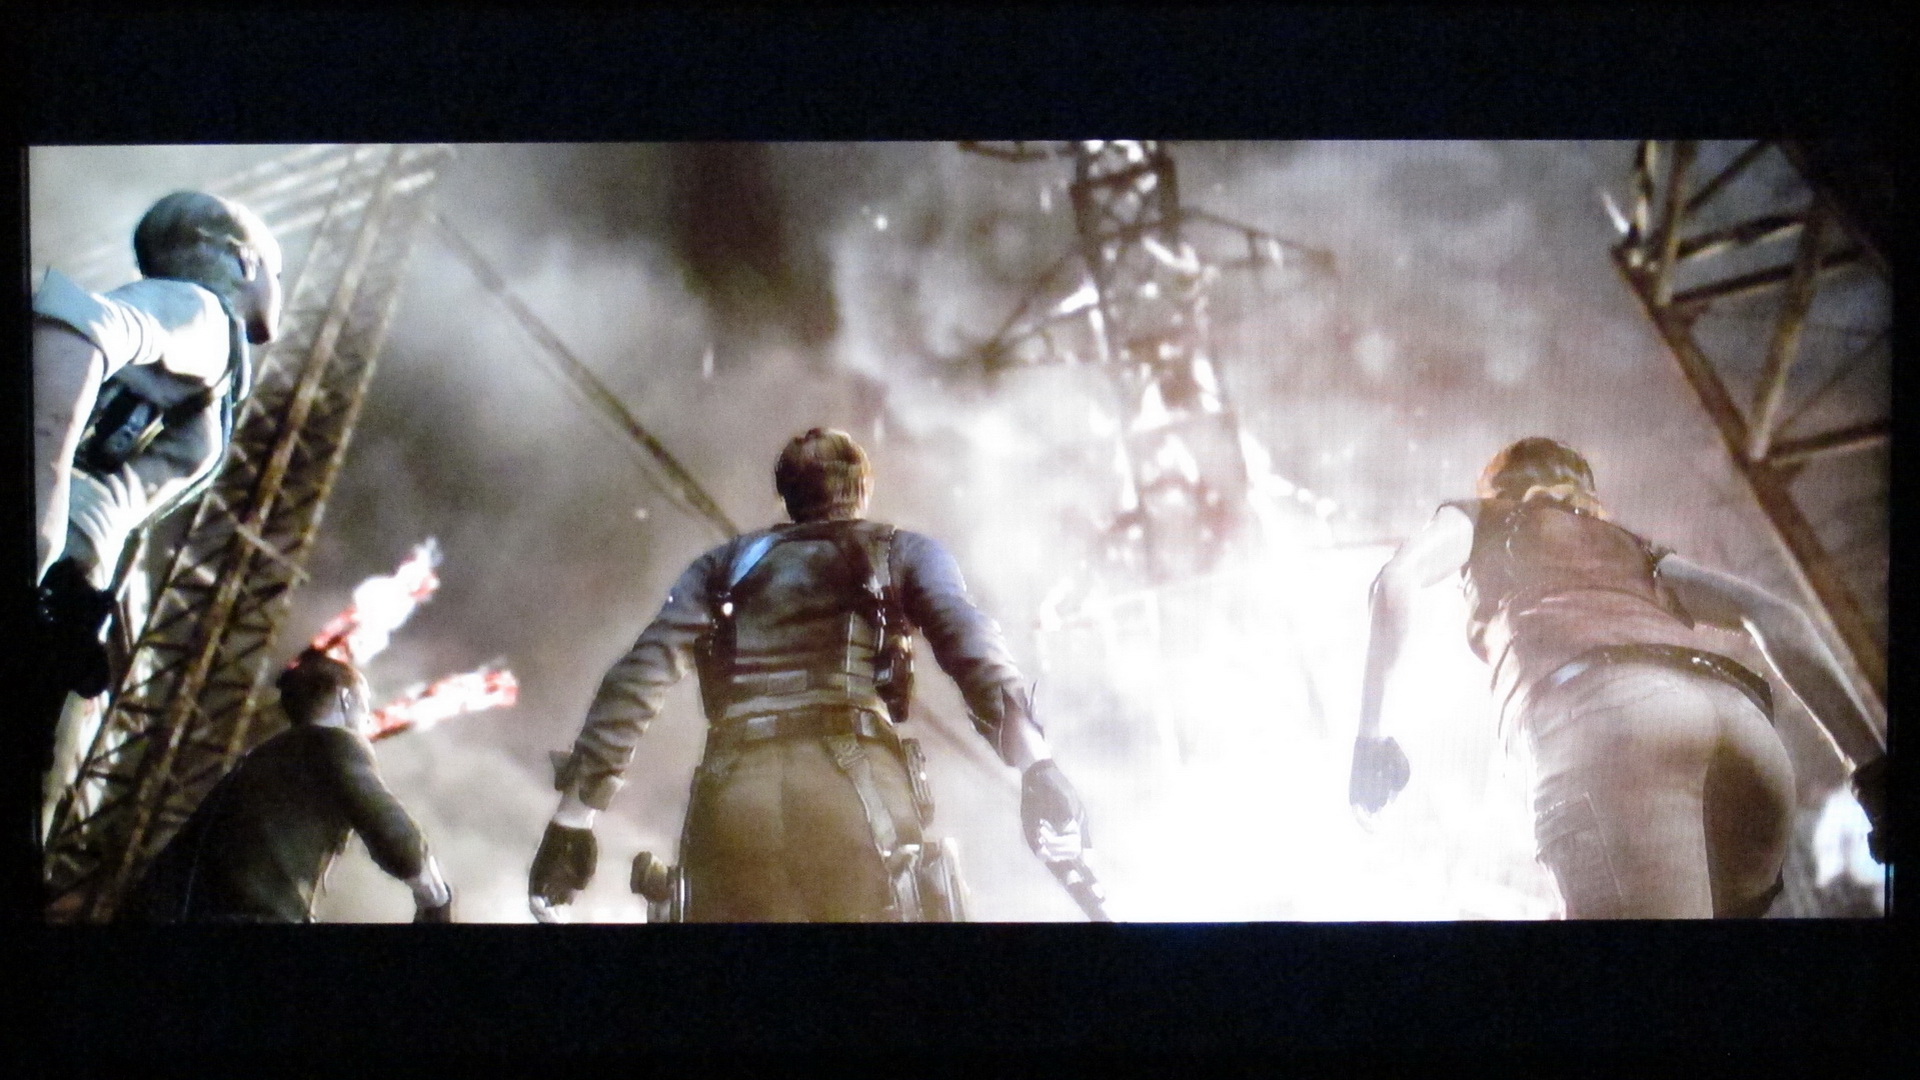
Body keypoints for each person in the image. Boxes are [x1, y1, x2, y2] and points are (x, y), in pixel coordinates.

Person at [530, 428, 1091, 922]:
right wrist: (1036, 765)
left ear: (787, 496)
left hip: (731, 800)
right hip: (858, 793)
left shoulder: (721, 566)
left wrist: (573, 820)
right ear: (862, 488)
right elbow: (970, 644)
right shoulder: (901, 551)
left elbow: (641, 673)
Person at [1350, 437, 1887, 919]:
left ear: (1498, 486)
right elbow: (1781, 619)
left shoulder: (1485, 517)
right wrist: (1876, 774)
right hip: (1747, 729)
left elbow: (1394, 584)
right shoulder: (1633, 548)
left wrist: (1371, 739)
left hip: (1613, 722)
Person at [33, 190, 283, 695]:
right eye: (276, 274)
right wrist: (41, 525)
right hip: (52, 571)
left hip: (65, 583)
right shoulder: (201, 313)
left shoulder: (211, 338)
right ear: (245, 261)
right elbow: (79, 324)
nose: (279, 288)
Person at [123, 648, 453, 923]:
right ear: (345, 698)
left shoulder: (258, 760)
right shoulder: (336, 743)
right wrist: (436, 899)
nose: (368, 718)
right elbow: (395, 837)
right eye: (365, 704)